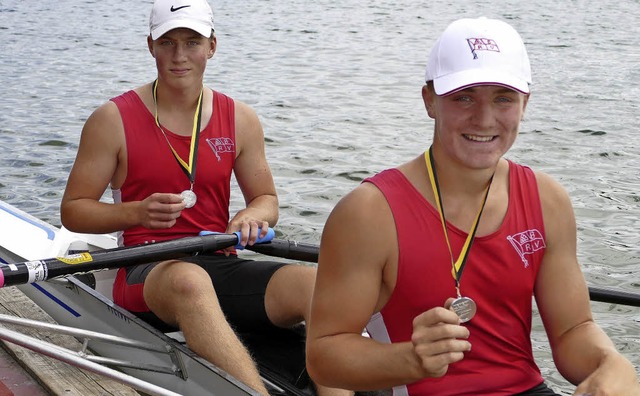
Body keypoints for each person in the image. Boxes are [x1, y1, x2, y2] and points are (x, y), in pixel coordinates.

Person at [306, 17, 640, 396]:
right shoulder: (368, 212)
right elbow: (324, 354)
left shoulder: (548, 200)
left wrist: (610, 364)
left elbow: (572, 330)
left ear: (525, 103)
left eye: (503, 98)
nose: (484, 119)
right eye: (463, 97)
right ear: (429, 100)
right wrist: (411, 360)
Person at [60, 1, 350, 395]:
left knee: (315, 283)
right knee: (190, 280)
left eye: (192, 42)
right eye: (168, 42)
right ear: (151, 46)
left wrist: (251, 215)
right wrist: (135, 212)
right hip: (144, 269)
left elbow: (266, 199)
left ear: (211, 46)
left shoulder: (240, 119)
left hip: (217, 260)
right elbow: (74, 211)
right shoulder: (111, 120)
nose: (180, 56)